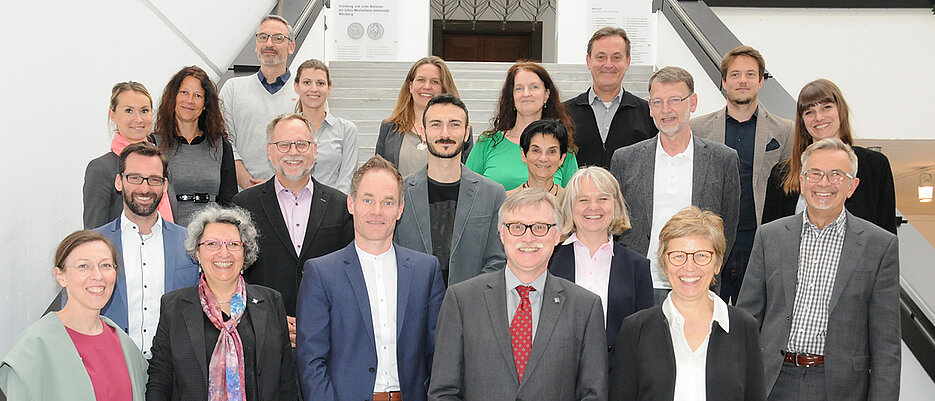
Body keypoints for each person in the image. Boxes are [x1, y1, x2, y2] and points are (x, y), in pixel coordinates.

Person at [738, 138, 900, 400]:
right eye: (815, 174)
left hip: (840, 386)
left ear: (852, 186)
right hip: (773, 381)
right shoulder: (770, 236)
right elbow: (748, 317)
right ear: (802, 182)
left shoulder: (879, 245)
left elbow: (886, 342)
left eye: (836, 174)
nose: (824, 183)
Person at [428, 188, 608, 401]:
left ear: (558, 235)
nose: (528, 237)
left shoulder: (585, 307)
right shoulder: (462, 300)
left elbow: (593, 395)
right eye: (517, 227)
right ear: (502, 234)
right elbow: (443, 392)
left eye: (540, 227)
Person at [296, 156, 445, 401]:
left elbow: (437, 354)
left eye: (388, 202)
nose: (377, 211)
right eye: (368, 200)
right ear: (351, 203)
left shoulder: (426, 271)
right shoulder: (321, 273)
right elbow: (311, 360)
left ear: (400, 209)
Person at [610, 66, 740, 305]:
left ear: (693, 102)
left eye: (674, 100)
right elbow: (616, 224)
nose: (666, 110)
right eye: (657, 102)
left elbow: (727, 228)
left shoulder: (723, 160)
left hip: (696, 284)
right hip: (638, 284)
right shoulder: (625, 159)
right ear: (650, 108)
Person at [610, 206, 765, 400]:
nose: (689, 267)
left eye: (701, 255)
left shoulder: (743, 326)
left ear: (718, 264)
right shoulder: (636, 328)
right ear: (663, 264)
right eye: (678, 256)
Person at [146, 205, 298, 400]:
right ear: (198, 254)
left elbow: (286, 379)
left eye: (233, 244)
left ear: (245, 253)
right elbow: (160, 378)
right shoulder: (173, 306)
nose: (223, 253)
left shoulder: (271, 302)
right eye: (212, 244)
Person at [232, 113, 353, 344]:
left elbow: (348, 273)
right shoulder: (243, 206)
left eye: (301, 144)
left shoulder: (341, 205)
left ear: (315, 150)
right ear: (270, 151)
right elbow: (235, 276)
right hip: (262, 339)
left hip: (327, 338)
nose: (293, 152)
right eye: (284, 145)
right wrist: (268, 316)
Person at [691, 46, 794, 304]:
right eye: (735, 75)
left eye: (750, 74)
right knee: (707, 314)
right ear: (724, 82)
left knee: (753, 320)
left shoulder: (785, 131)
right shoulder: (697, 129)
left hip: (759, 241)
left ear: (760, 81)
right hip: (711, 241)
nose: (743, 81)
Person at [1, 231, 148, 400]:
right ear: (60, 276)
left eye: (106, 265)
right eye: (83, 266)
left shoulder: (124, 344)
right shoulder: (32, 350)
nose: (97, 276)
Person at [92, 142, 200, 358]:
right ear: (119, 182)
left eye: (154, 180)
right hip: (112, 366)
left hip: (173, 371)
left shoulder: (191, 242)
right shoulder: (94, 244)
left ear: (164, 185)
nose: (144, 188)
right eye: (134, 178)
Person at [395, 94, 506, 286]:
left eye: (454, 124)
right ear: (423, 132)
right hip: (412, 306)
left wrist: (465, 299)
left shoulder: (492, 194)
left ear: (466, 132)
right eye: (436, 124)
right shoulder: (400, 192)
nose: (445, 134)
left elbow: (498, 260)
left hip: (471, 306)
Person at [762, 79, 897, 234]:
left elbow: (886, 236)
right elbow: (770, 239)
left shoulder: (874, 166)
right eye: (809, 112)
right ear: (802, 121)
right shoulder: (782, 174)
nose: (819, 117)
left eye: (826, 107)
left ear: (840, 110)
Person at [548, 166, 653, 365]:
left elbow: (644, 336)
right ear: (570, 206)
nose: (593, 207)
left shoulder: (637, 267)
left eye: (602, 199)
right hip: (557, 373)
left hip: (616, 378)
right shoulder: (548, 261)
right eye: (583, 199)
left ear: (616, 205)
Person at [466, 62, 579, 190]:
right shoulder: (487, 143)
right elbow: (468, 191)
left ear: (546, 95)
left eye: (534, 87)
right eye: (519, 88)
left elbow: (572, 199)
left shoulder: (560, 148)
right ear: (512, 96)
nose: (526, 94)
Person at [220, 14, 298, 189]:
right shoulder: (232, 89)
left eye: (278, 38)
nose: (269, 44)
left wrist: (278, 186)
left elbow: (311, 145)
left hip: (291, 194)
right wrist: (247, 183)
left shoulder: (305, 93)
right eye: (263, 37)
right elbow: (224, 141)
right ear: (256, 45)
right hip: (242, 193)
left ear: (291, 47)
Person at [84, 81, 175, 229]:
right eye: (129, 111)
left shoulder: (161, 164)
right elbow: (94, 233)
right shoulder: (101, 168)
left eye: (144, 111)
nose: (138, 119)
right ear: (112, 114)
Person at [153, 65, 236, 227]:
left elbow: (229, 203)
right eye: (184, 92)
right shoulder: (154, 144)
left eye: (197, 95)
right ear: (173, 97)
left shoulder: (221, 146)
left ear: (205, 104)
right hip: (168, 232)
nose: (189, 101)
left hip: (211, 238)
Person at [563, 27, 657, 168]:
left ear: (628, 62)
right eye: (601, 57)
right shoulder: (564, 112)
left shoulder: (648, 113)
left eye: (616, 57)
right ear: (589, 61)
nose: (608, 64)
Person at [376, 56, 472, 177]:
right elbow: (378, 173)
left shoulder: (458, 129)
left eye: (435, 81)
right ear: (410, 86)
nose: (427, 86)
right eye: (421, 80)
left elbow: (468, 172)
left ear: (444, 89)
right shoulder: (390, 127)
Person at [294, 58, 359, 193]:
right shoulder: (285, 130)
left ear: (329, 88)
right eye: (307, 82)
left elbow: (347, 179)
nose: (314, 89)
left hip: (332, 207)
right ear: (296, 86)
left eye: (320, 83)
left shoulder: (346, 130)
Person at [507, 119, 571, 199]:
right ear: (523, 155)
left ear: (562, 159)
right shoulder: (507, 200)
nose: (543, 158)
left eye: (551, 151)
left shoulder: (570, 202)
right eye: (536, 150)